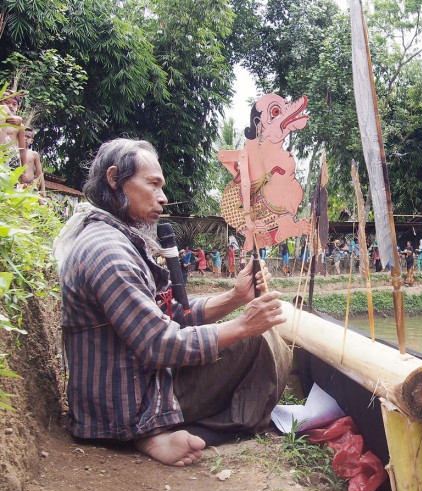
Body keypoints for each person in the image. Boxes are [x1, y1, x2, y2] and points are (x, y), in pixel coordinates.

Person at [53, 138, 291, 467]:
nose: (163, 198)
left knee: (257, 338)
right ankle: (156, 432)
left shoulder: (118, 240)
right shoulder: (108, 252)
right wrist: (242, 325)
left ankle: (166, 429)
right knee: (259, 341)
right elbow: (160, 343)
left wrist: (235, 298)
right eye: (152, 184)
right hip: (124, 406)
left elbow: (171, 314)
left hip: (135, 388)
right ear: (114, 179)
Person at [1, 90, 27, 169]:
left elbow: (22, 150)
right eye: (7, 102)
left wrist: (23, 170)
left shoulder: (19, 126)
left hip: (11, 158)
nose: (10, 106)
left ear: (18, 107)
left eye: (14, 104)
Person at [20, 127, 45, 197]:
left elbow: (39, 173)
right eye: (24, 136)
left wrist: (43, 190)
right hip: (17, 184)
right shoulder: (14, 152)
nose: (25, 138)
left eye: (28, 137)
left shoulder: (34, 154)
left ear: (31, 141)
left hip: (30, 185)